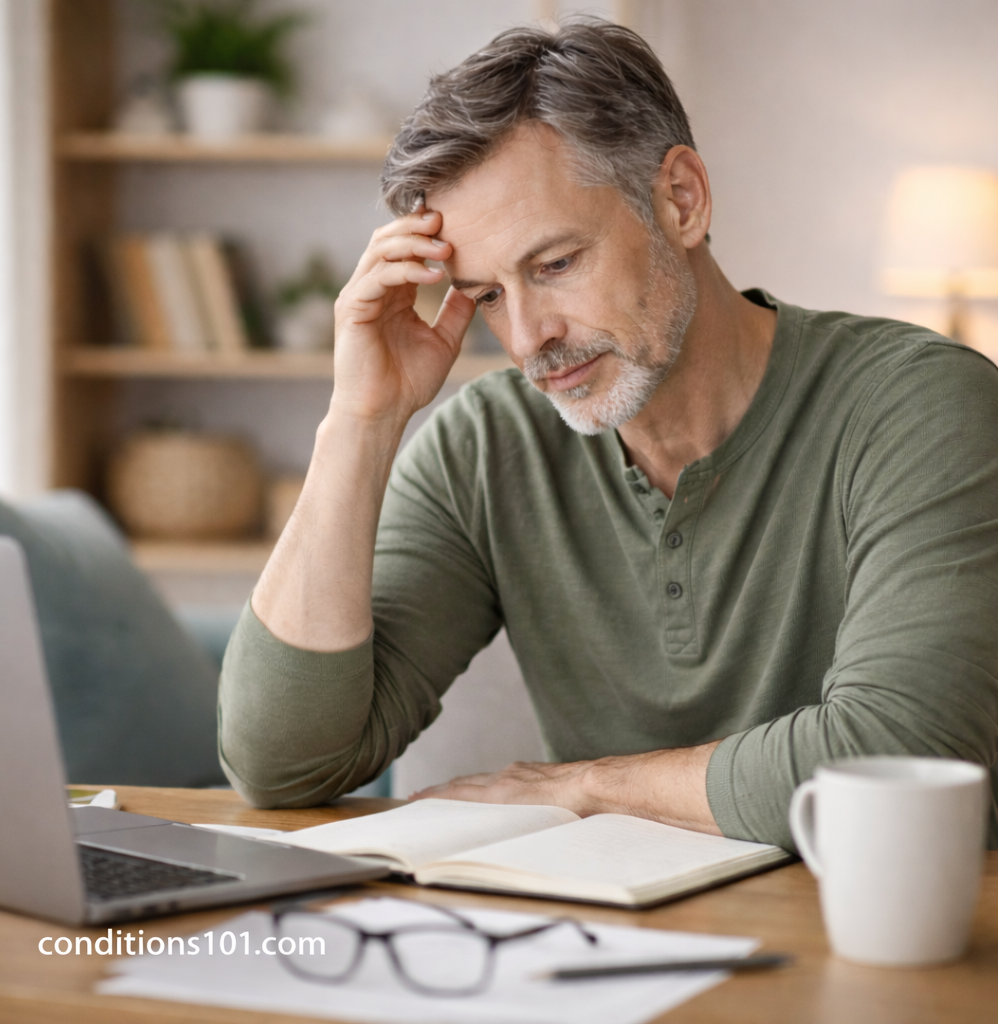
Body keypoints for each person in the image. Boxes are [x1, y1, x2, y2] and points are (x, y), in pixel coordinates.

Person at [218, 20, 998, 849]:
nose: (525, 339)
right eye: (484, 296)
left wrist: (583, 788)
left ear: (682, 200)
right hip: (600, 949)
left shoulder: (918, 403)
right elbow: (280, 765)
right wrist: (361, 422)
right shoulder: (483, 448)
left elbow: (902, 756)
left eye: (554, 265)